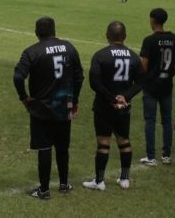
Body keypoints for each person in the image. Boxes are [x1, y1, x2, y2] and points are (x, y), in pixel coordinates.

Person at [13, 17, 84, 199]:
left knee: (44, 148)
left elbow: (18, 77)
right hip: (64, 105)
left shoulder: (31, 52)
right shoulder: (69, 47)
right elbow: (79, 76)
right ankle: (63, 184)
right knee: (62, 147)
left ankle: (44, 190)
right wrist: (74, 100)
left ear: (37, 32)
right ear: (54, 30)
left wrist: (24, 98)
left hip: (41, 107)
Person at [82, 21, 143, 191]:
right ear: (125, 36)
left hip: (104, 105)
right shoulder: (133, 57)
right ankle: (124, 179)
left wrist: (111, 99)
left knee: (103, 142)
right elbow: (140, 82)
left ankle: (99, 181)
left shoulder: (100, 55)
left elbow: (95, 82)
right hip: (124, 107)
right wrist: (125, 97)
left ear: (107, 35)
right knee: (124, 141)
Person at [139, 8, 175, 166]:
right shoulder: (174, 38)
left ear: (153, 20)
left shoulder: (149, 40)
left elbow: (143, 65)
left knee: (150, 120)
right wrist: (168, 74)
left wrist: (146, 78)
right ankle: (166, 155)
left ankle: (151, 156)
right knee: (166, 120)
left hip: (151, 86)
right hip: (166, 85)